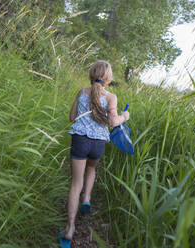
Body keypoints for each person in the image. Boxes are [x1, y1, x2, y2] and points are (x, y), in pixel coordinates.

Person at [59, 60, 130, 247]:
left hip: (80, 140)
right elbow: (114, 122)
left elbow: (72, 117)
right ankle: (87, 199)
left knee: (76, 183)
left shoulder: (82, 92)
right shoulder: (111, 97)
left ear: (91, 74)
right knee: (91, 169)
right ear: (109, 78)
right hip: (98, 142)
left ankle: (69, 229)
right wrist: (125, 116)